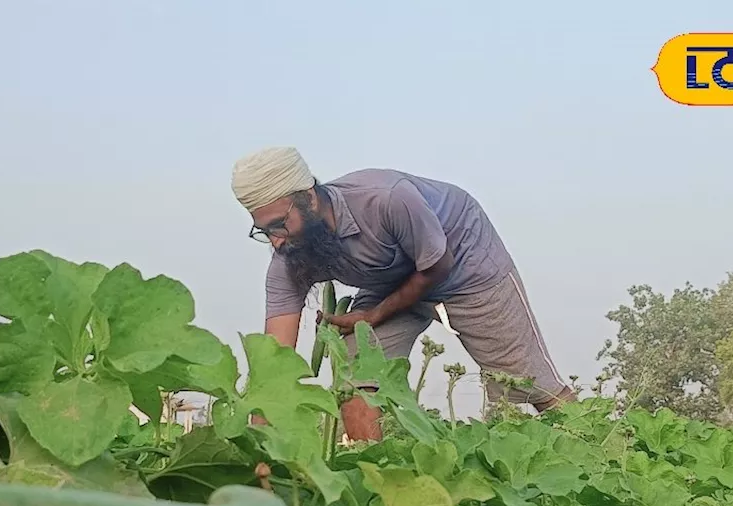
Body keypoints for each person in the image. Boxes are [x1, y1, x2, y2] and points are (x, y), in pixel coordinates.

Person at [230, 146, 575, 441]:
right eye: (264, 231)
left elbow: (437, 266)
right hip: (387, 281)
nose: (276, 240)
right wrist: (262, 439)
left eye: (279, 224)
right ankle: (373, 477)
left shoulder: (386, 198)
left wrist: (375, 315)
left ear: (308, 198)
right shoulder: (288, 256)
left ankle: (595, 447)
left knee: (528, 382)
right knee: (358, 381)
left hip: (462, 264)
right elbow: (274, 356)